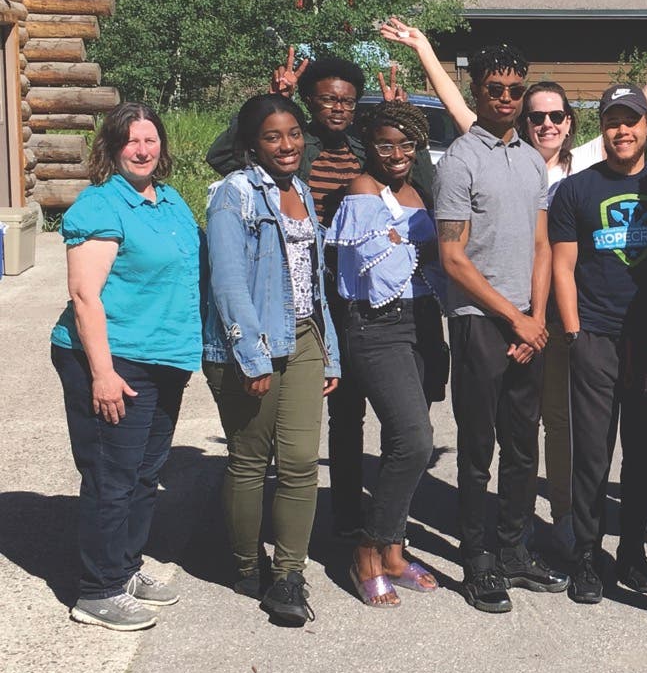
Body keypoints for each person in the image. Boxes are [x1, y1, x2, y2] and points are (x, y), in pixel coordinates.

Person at [383, 16, 647, 555]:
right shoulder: (488, 150)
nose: (543, 121)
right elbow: (461, 110)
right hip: (522, 315)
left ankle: (560, 524)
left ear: (569, 121)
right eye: (533, 113)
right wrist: (424, 46)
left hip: (559, 313)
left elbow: (634, 115)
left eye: (554, 114)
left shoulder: (575, 160)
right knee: (520, 433)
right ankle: (519, 541)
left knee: (551, 431)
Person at [206, 50, 431, 539]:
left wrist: (400, 119)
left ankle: (384, 515)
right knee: (342, 412)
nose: (339, 109)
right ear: (311, 101)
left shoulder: (362, 147)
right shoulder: (293, 143)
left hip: (359, 295)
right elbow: (224, 157)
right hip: (304, 291)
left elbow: (419, 188)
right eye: (329, 99)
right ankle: (345, 515)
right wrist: (272, 100)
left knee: (395, 412)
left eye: (349, 101)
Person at [50, 103, 202, 631]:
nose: (143, 150)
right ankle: (97, 589)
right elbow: (84, 296)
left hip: (164, 358)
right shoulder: (100, 205)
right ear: (112, 149)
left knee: (144, 472)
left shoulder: (170, 201)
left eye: (151, 139)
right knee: (111, 476)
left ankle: (125, 567)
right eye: (132, 141)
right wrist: (102, 373)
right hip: (113, 358)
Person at [432, 43, 567, 613]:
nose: (508, 99)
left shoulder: (533, 160)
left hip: (525, 323)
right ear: (477, 91)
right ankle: (478, 558)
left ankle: (514, 549)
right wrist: (512, 318)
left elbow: (541, 244)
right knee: (477, 447)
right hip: (479, 321)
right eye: (496, 89)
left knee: (521, 446)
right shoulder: (461, 160)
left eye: (516, 90)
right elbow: (453, 257)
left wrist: (535, 317)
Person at [203, 94, 342, 625]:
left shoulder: (301, 190)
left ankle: (288, 572)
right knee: (250, 461)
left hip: (305, 338)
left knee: (302, 460)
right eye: (272, 136)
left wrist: (329, 351)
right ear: (252, 144)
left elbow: (313, 280)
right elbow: (229, 282)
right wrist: (250, 357)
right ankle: (245, 566)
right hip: (254, 346)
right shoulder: (233, 195)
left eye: (292, 134)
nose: (287, 145)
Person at [549, 84, 647, 604]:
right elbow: (562, 265)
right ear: (601, 128)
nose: (622, 130)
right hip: (596, 336)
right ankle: (586, 553)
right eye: (613, 121)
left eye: (632, 120)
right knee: (592, 452)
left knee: (646, 451)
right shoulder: (577, 190)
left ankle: (632, 551)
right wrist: (575, 332)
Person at [330, 101, 447, 607]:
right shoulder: (361, 191)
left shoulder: (416, 191)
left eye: (406, 144)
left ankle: (395, 552)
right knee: (416, 441)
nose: (396, 154)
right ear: (368, 147)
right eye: (384, 144)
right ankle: (367, 548)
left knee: (406, 439)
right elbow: (380, 269)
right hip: (377, 325)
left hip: (421, 323)